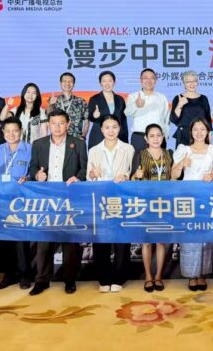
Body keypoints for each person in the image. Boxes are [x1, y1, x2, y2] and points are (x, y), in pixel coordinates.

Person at [28, 110, 87, 295]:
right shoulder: (39, 144)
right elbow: (33, 166)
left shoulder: (78, 143)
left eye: (61, 123)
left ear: (68, 124)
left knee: (70, 241)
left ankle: (70, 279)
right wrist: (37, 174)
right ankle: (42, 280)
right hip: (46, 198)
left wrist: (78, 178)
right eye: (53, 123)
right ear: (48, 125)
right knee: (44, 241)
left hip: (69, 197)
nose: (57, 127)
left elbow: (84, 169)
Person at [171, 118, 213, 291]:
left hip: (207, 197)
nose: (199, 133)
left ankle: (203, 274)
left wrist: (212, 176)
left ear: (208, 132)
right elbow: (174, 175)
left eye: (202, 129)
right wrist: (181, 164)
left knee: (205, 237)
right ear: (191, 132)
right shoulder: (183, 150)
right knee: (190, 237)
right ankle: (191, 275)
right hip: (188, 199)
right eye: (195, 129)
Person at [0, 117, 34, 290]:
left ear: (21, 131)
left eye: (15, 131)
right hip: (1, 198)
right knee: (4, 239)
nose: (11, 134)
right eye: (8, 131)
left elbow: (35, 171)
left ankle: (25, 275)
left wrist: (29, 177)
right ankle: (8, 275)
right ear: (3, 133)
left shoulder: (30, 149)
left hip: (21, 199)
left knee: (21, 238)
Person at [87, 114, 134, 293]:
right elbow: (88, 178)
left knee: (121, 239)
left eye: (114, 127)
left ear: (119, 128)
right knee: (101, 240)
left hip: (121, 199)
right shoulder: (94, 150)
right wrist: (92, 175)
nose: (111, 131)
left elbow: (133, 173)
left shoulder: (128, 149)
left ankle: (119, 277)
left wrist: (126, 176)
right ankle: (103, 278)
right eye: (107, 127)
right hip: (101, 200)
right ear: (101, 129)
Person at [132, 124, 174, 293]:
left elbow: (174, 178)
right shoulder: (140, 154)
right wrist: (136, 176)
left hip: (164, 204)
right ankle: (148, 276)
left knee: (161, 241)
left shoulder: (169, 154)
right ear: (146, 138)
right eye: (152, 136)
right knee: (147, 242)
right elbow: (132, 179)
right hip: (146, 203)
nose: (156, 139)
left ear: (163, 137)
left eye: (158, 135)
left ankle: (158, 276)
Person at [126, 68, 170, 153]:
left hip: (158, 138)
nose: (149, 81)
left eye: (152, 78)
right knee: (138, 161)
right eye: (145, 78)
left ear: (156, 80)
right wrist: (136, 105)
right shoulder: (133, 96)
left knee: (159, 161)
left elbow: (166, 119)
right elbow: (127, 113)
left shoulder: (162, 97)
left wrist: (165, 136)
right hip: (140, 137)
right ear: (140, 80)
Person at [87, 71, 128, 149]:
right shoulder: (94, 99)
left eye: (110, 81)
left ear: (114, 82)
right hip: (98, 136)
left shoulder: (120, 99)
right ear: (100, 83)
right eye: (104, 81)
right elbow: (89, 117)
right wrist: (94, 116)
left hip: (117, 137)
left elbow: (123, 121)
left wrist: (125, 141)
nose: (107, 84)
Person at [170, 70, 211, 146]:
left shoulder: (203, 98)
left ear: (197, 82)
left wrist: (209, 135)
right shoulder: (178, 98)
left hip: (200, 135)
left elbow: (208, 119)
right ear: (184, 84)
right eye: (188, 82)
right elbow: (173, 119)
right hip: (183, 135)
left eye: (194, 81)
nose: (192, 84)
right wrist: (180, 104)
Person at [47, 72, 90, 140]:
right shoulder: (54, 100)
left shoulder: (81, 101)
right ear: (60, 83)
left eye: (70, 81)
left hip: (76, 138)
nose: (67, 83)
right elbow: (48, 118)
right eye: (65, 81)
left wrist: (83, 136)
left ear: (74, 84)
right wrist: (51, 105)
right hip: (58, 139)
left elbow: (87, 121)